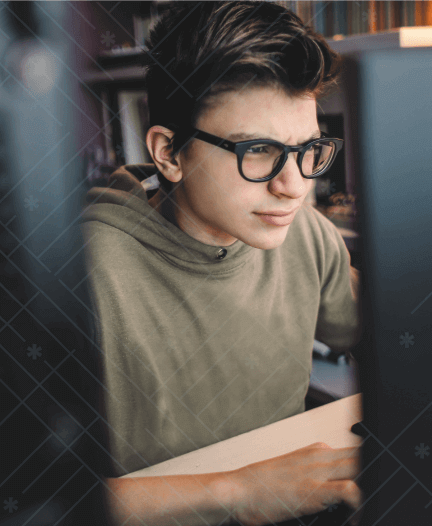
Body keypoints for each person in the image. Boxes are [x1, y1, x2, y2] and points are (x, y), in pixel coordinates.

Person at [81, 1, 362, 524]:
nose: (295, 187)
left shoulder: (304, 232)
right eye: (257, 150)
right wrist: (235, 490)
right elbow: (32, 500)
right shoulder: (82, 277)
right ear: (169, 153)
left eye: (308, 150)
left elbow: (402, 335)